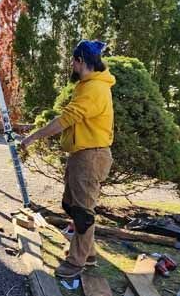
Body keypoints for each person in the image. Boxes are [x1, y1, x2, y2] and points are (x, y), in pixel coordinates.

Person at [20, 40, 116, 278]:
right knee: (71, 205)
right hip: (81, 155)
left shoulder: (95, 89)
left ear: (81, 60)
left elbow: (66, 119)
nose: (71, 64)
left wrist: (32, 138)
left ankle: (77, 262)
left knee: (83, 213)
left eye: (73, 60)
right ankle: (89, 253)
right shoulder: (87, 85)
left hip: (91, 156)